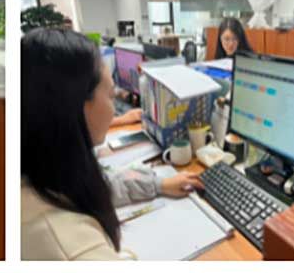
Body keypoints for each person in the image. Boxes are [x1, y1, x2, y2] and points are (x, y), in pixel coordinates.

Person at [22, 28, 202, 260]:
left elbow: (104, 184)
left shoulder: (46, 172)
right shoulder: (71, 247)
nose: (113, 107)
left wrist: (159, 184)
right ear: (77, 106)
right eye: (111, 95)